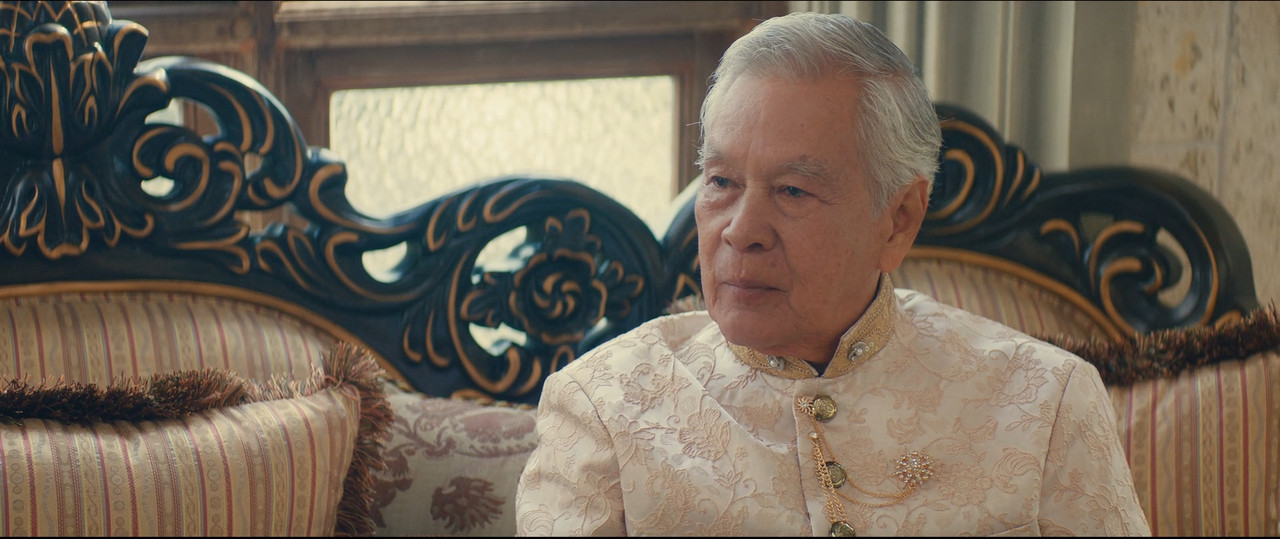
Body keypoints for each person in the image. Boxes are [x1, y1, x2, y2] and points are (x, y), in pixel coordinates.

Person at [515, 11, 1150, 537]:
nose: (741, 229)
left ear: (899, 219)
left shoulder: (1045, 402)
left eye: (792, 190)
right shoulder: (603, 408)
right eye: (721, 181)